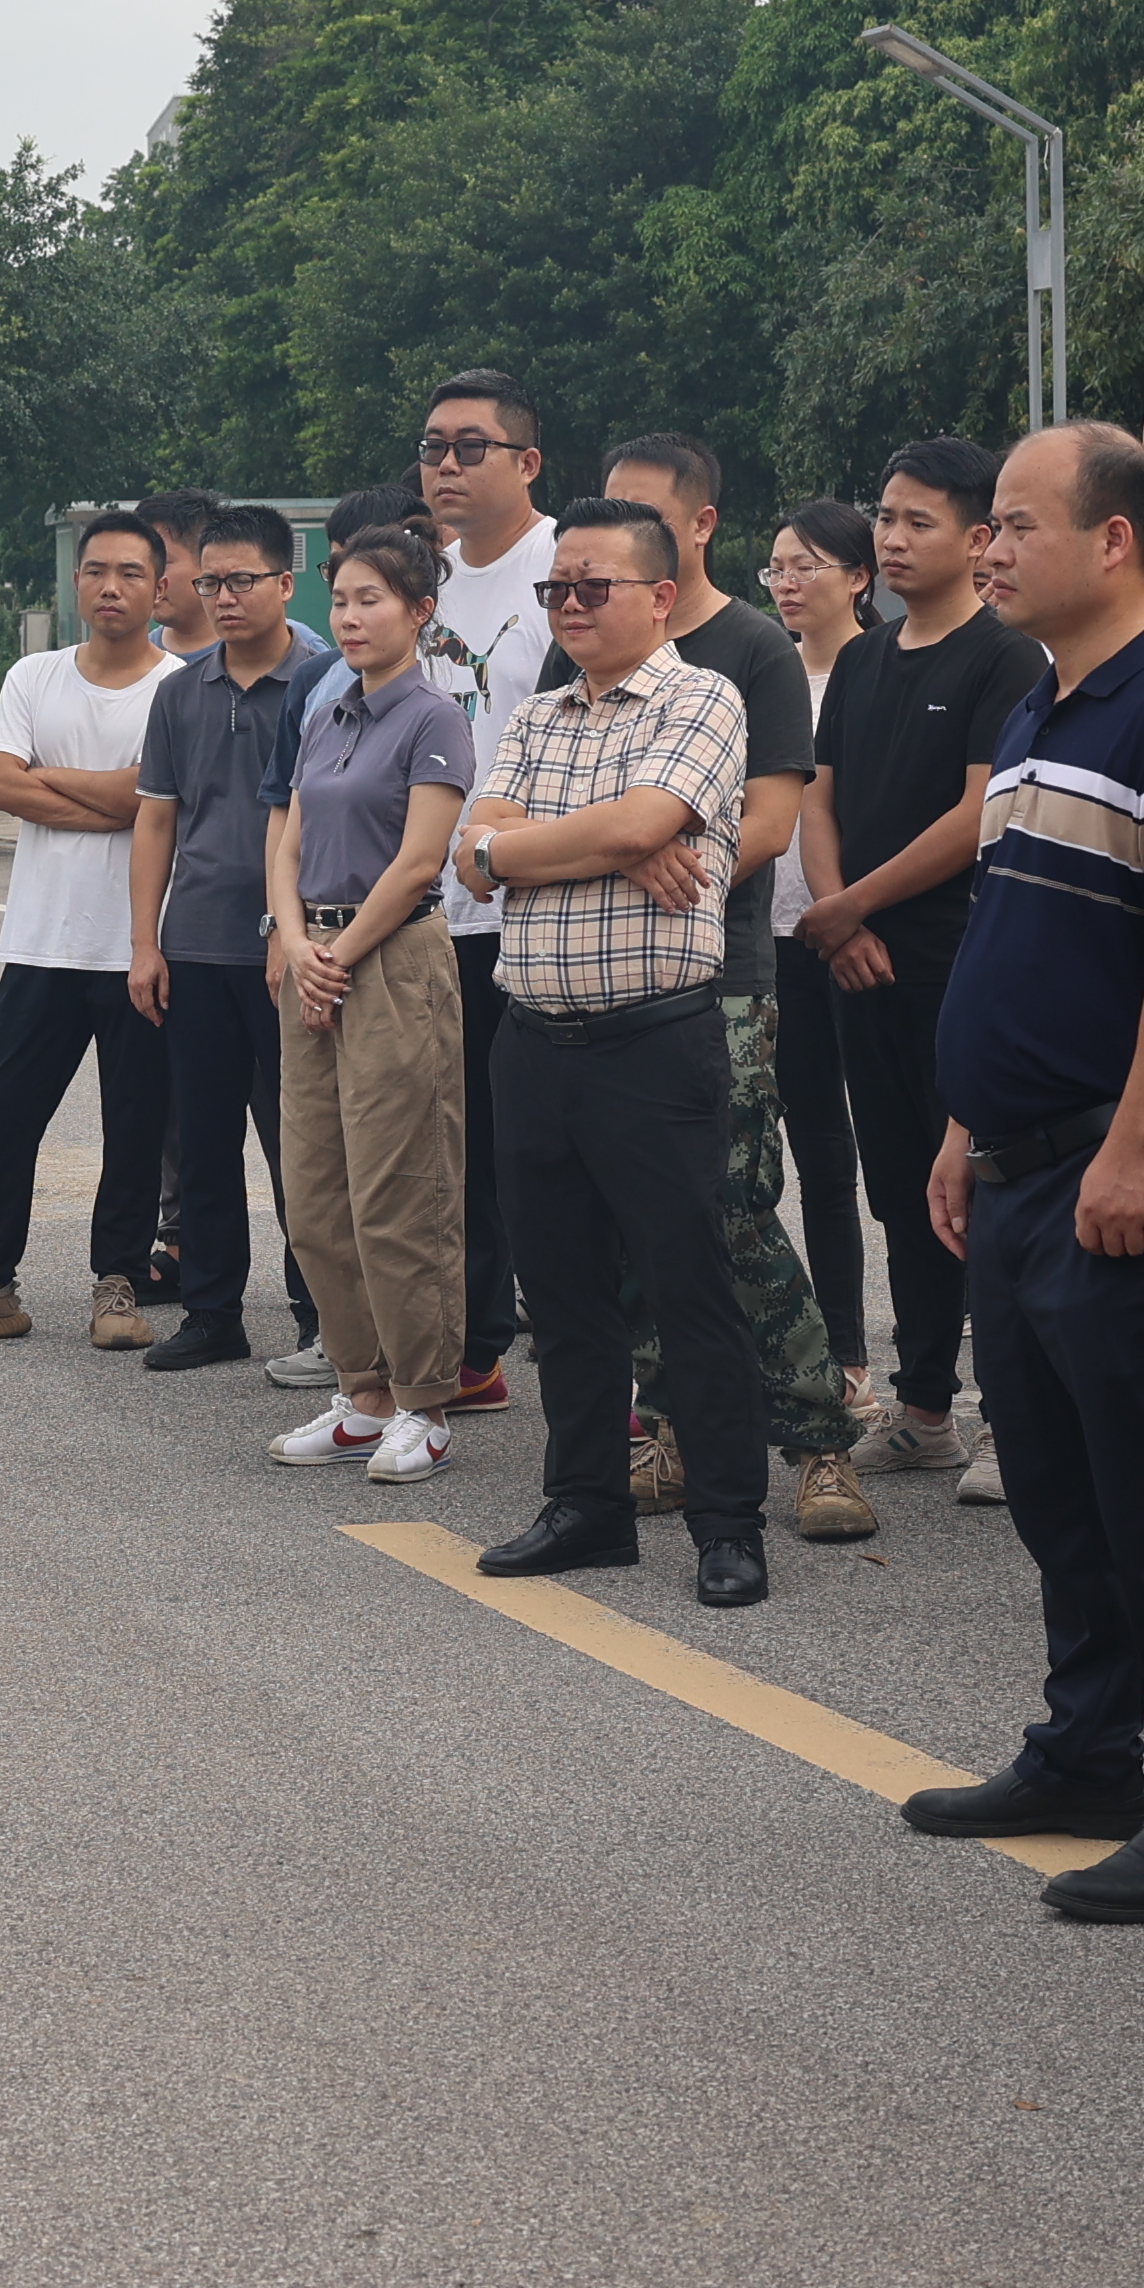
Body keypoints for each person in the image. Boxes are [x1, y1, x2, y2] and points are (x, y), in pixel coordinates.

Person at [884, 424, 1144, 1923]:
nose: (989, 549)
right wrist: (962, 1131)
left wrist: (1137, 1146)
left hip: (1126, 1174)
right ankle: (1086, 1752)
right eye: (986, 526)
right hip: (1019, 1168)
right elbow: (1017, 940)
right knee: (1061, 1486)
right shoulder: (1049, 702)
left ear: (1113, 543)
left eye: (1014, 526)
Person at [543, 435, 866, 1540]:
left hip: (717, 978)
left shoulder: (750, 652)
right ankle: (673, 1428)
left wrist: (638, 841)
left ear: (694, 529)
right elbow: (522, 815)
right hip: (590, 992)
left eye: (635, 519)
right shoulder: (570, 653)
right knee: (628, 1225)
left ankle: (820, 1439)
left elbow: (768, 824)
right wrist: (625, 840)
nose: (595, 570)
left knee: (727, 1214)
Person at [454, 491, 771, 1606]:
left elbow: (633, 829)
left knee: (690, 1292)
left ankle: (730, 1525)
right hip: (532, 1045)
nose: (571, 606)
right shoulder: (541, 716)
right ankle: (586, 1506)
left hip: (654, 1046)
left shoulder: (705, 697)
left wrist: (542, 845)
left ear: (660, 593)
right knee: (568, 1296)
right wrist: (589, 842)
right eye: (557, 591)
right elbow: (468, 852)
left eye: (594, 587)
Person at [805, 439, 1046, 1494]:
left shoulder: (1004, 657)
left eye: (918, 523)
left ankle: (1008, 1418)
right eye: (885, 519)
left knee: (980, 1189)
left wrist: (855, 903)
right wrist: (836, 918)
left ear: (979, 537)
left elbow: (981, 811)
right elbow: (820, 796)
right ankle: (921, 1409)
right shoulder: (862, 657)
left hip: (957, 961)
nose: (892, 540)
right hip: (859, 965)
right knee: (904, 1190)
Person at [0, 517, 182, 1348]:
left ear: (159, 587)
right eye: (95, 570)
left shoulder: (180, 688)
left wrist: (53, 781)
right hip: (41, 942)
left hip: (141, 943)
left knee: (133, 1125)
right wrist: (116, 797)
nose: (110, 587)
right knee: (0, 1115)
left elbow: (148, 801)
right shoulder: (35, 675)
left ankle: (117, 1288)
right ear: (76, 582)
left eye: (130, 573)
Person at [264, 526, 476, 1478]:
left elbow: (422, 861)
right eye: (340, 601)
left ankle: (425, 1404)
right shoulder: (326, 711)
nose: (348, 617)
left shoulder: (435, 718)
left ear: (420, 611)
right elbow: (290, 835)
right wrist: (294, 939)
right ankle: (363, 1392)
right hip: (312, 952)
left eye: (371, 601)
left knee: (399, 1193)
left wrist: (336, 955)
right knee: (314, 1195)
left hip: (390, 959)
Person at [133, 506, 335, 1372]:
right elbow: (155, 823)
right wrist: (146, 943)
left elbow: (333, 823)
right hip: (196, 949)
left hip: (294, 953)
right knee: (206, 1143)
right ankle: (214, 1312)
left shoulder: (330, 684)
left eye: (240, 581)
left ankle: (321, 1314)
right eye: (208, 581)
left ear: (287, 585)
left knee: (306, 1146)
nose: (222, 597)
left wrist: (292, 934)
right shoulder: (179, 688)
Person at [417, 373, 561, 1407]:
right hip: (442, 904)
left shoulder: (568, 568)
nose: (449, 467)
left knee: (546, 1135)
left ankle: (580, 1329)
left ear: (527, 461)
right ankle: (476, 1346)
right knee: (457, 1132)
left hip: (546, 900)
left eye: (473, 447)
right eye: (433, 449)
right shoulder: (421, 581)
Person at [765, 498, 880, 1400]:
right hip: (774, 940)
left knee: (872, 1155)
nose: (788, 582)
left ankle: (859, 1355)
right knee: (805, 1152)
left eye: (807, 565)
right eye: (776, 568)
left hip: (867, 935)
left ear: (859, 577)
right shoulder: (765, 675)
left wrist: (849, 912)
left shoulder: (879, 671)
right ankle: (823, 1351)